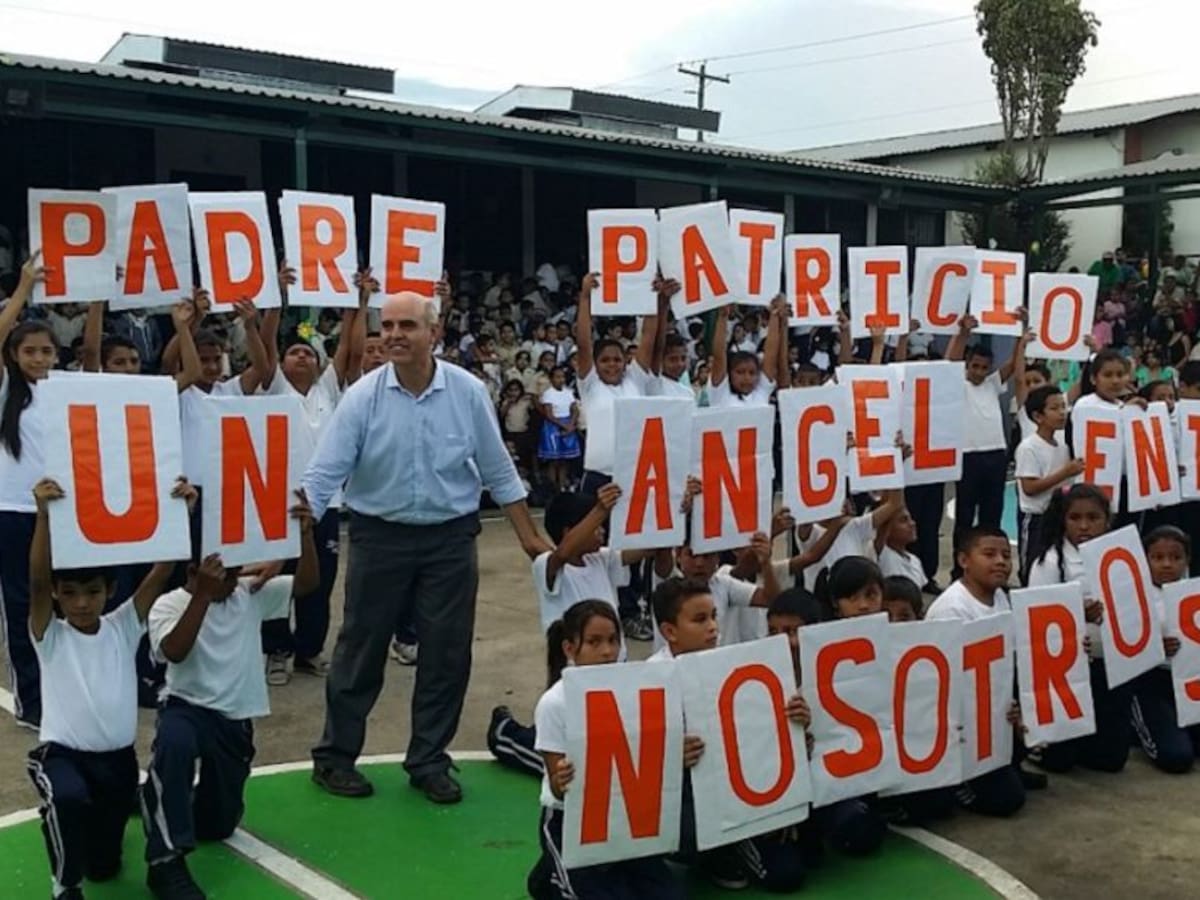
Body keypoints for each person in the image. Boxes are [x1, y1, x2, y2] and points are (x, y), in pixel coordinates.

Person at [304, 290, 549, 805]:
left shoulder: (467, 391)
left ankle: (429, 760)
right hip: (377, 537)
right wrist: (288, 532)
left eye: (407, 326)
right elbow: (324, 474)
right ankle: (334, 758)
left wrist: (530, 537)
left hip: (450, 539)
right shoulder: (362, 397)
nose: (394, 335)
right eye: (388, 326)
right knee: (360, 650)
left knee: (446, 653)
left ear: (433, 333)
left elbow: (497, 468)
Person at [26, 476, 194, 900]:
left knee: (103, 867)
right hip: (63, 757)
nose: (82, 602)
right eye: (70, 593)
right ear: (57, 596)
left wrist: (182, 514)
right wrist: (43, 517)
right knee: (66, 797)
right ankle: (65, 886)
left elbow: (162, 572)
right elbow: (37, 582)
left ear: (111, 590)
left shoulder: (123, 626)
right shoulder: (50, 636)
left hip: (118, 764)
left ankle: (90, 841)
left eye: (92, 592)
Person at [141, 495, 316, 900]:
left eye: (236, 569)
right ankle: (164, 863)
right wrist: (202, 595)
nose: (236, 577)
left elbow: (307, 585)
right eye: (225, 572)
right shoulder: (169, 604)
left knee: (218, 826)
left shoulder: (247, 594)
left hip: (233, 718)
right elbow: (174, 651)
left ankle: (161, 798)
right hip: (186, 707)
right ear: (194, 571)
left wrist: (305, 537)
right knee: (174, 746)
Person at [649, 576, 811, 890]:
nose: (713, 627)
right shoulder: (650, 680)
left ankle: (742, 837)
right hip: (684, 794)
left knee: (796, 866)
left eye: (713, 616)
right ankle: (713, 851)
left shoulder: (733, 664)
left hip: (740, 789)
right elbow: (635, 759)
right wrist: (669, 756)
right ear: (669, 631)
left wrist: (797, 721)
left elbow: (760, 739)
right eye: (700, 620)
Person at [525, 600, 683, 900]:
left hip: (623, 818)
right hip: (570, 821)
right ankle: (551, 875)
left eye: (613, 640)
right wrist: (562, 780)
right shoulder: (554, 704)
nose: (607, 651)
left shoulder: (634, 689)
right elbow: (557, 789)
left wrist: (677, 753)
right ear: (570, 648)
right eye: (594, 642)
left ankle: (554, 874)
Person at [259, 273, 365, 685]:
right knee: (276, 581)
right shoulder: (273, 388)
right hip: (277, 503)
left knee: (320, 582)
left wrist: (356, 304)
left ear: (319, 365)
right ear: (282, 364)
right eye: (294, 352)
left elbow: (349, 350)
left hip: (324, 504)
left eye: (308, 352)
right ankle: (276, 651)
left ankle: (308, 650)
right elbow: (266, 342)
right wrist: (278, 296)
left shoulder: (329, 391)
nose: (301, 357)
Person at [923, 527, 1028, 815]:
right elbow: (942, 685)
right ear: (963, 560)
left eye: (1006, 555)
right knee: (1008, 800)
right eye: (989, 554)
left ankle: (1009, 763)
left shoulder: (1000, 597)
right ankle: (960, 782)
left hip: (990, 710)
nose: (1001, 562)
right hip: (962, 721)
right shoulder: (951, 610)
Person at [1027, 484, 1131, 774]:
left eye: (1093, 518)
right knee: (1060, 762)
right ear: (1063, 520)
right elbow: (1036, 622)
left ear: (1107, 520)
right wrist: (1077, 615)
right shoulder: (1049, 563)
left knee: (1112, 760)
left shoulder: (1120, 557)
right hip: (1066, 671)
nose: (1084, 526)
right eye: (1075, 518)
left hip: (1109, 667)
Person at [0, 251, 52, 728]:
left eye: (46, 351)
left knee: (60, 604)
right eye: (29, 351)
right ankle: (31, 702)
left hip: (58, 514)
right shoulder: (5, 393)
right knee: (21, 608)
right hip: (13, 514)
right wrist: (23, 289)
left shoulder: (64, 391)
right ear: (13, 356)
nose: (38, 358)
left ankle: (59, 692)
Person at [947, 312, 1030, 577]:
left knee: (992, 516)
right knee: (964, 517)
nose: (979, 372)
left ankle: (989, 570)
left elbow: (1013, 364)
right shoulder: (957, 383)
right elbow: (950, 362)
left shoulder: (992, 384)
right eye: (975, 366)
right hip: (968, 457)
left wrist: (1021, 332)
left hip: (995, 455)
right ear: (967, 364)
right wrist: (963, 333)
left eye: (984, 367)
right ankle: (960, 571)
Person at [1129, 526, 1199, 773]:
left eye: (1176, 557)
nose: (1167, 564)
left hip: (1190, 680)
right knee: (1177, 757)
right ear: (1145, 560)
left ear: (1187, 560)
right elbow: (1122, 650)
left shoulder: (1194, 592)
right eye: (1158, 558)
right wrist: (1154, 648)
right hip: (1151, 683)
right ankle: (1136, 725)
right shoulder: (1135, 596)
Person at [1014, 384, 1084, 582]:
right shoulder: (1029, 447)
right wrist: (1065, 472)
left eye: (1063, 407)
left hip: (1056, 515)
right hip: (1035, 516)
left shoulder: (1063, 446)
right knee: (1032, 564)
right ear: (1038, 416)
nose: (1062, 413)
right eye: (1054, 408)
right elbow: (1029, 488)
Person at [708, 299, 783, 408]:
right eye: (740, 372)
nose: (746, 378)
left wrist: (774, 315)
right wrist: (722, 317)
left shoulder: (761, 392)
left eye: (752, 373)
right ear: (729, 374)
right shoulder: (720, 393)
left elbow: (771, 353)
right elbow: (719, 356)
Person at [537, 367, 580, 492]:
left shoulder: (568, 392)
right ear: (551, 379)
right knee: (554, 461)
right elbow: (549, 415)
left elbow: (575, 410)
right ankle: (552, 488)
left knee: (564, 460)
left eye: (562, 377)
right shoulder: (548, 394)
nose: (561, 380)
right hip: (553, 427)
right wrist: (564, 426)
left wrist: (571, 424)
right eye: (557, 377)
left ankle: (562, 486)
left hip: (568, 423)